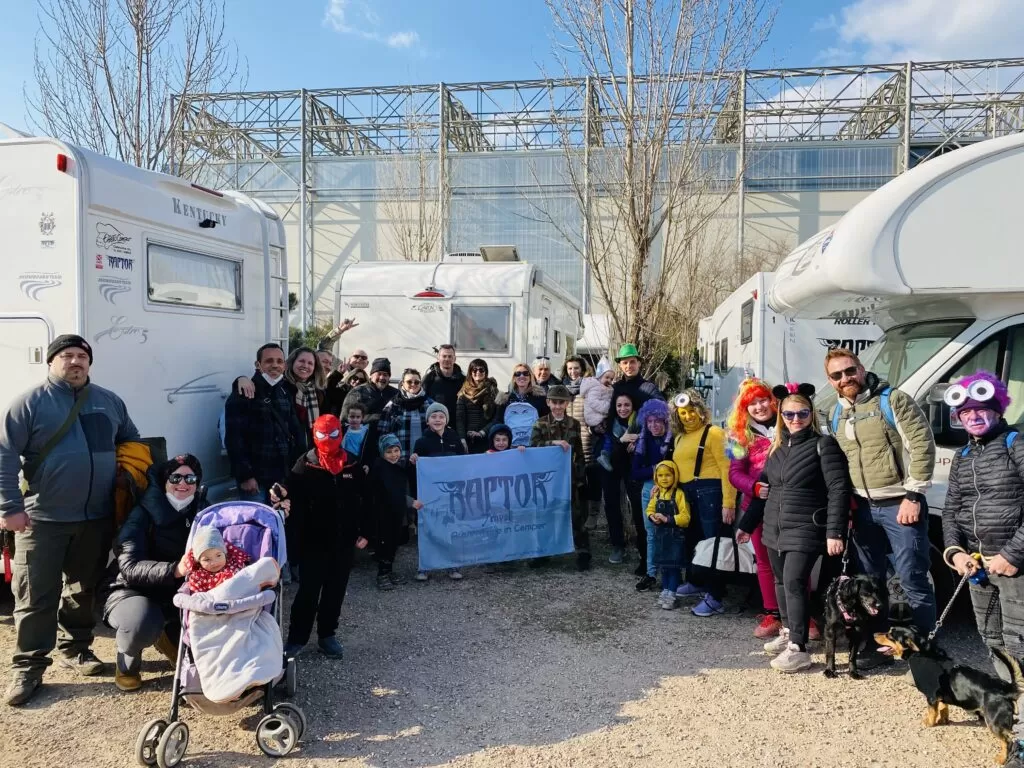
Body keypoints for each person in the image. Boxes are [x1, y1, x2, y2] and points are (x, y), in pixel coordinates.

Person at [0, 334, 140, 706]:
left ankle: (76, 648)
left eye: (82, 356)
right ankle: (28, 668)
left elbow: (133, 445)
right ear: (51, 362)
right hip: (40, 519)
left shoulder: (109, 402)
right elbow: (5, 455)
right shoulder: (29, 404)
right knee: (35, 596)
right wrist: (9, 507)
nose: (75, 362)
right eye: (67, 356)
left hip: (96, 517)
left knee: (82, 589)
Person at [825, 347, 937, 667]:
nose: (845, 378)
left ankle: (923, 648)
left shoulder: (893, 400)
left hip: (900, 504)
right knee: (870, 581)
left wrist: (913, 495)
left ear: (861, 368)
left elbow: (922, 445)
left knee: (912, 577)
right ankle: (878, 646)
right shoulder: (837, 412)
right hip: (862, 507)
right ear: (830, 381)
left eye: (850, 371)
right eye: (837, 375)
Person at [737, 383, 850, 674]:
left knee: (794, 582)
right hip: (775, 527)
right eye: (789, 414)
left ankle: (798, 648)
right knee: (780, 581)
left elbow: (838, 489)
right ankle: (788, 630)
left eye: (802, 413)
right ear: (781, 416)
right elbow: (765, 490)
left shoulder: (823, 445)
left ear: (811, 414)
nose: (795, 419)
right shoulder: (777, 447)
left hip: (806, 527)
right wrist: (747, 525)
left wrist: (834, 532)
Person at [941, 372, 1024, 662]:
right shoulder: (962, 456)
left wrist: (1013, 555)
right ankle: (1010, 704)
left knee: (1020, 644)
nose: (973, 417)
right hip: (978, 567)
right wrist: (955, 553)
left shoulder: (1016, 443)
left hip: (1016, 568)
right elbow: (951, 510)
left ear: (997, 411)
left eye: (981, 409)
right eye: (965, 412)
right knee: (993, 642)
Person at [104, 454, 204, 692]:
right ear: (163, 480)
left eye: (190, 478)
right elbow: (128, 567)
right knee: (143, 621)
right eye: (176, 477)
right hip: (131, 591)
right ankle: (127, 661)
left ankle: (168, 637)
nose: (183, 483)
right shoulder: (142, 513)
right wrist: (175, 569)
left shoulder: (201, 509)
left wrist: (277, 508)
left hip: (177, 593)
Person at [280, 414, 368, 659]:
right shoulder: (305, 464)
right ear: (314, 434)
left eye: (333, 435)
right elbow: (289, 499)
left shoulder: (352, 463)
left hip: (344, 541)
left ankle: (327, 635)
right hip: (313, 542)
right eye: (322, 434)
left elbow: (365, 500)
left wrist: (364, 531)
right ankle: (296, 639)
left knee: (335, 590)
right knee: (308, 591)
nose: (327, 440)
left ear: (340, 434)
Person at [670, 388, 737, 617]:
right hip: (687, 494)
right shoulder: (679, 437)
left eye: (691, 411)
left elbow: (727, 467)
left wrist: (729, 502)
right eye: (682, 413)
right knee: (693, 543)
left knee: (714, 545)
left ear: (700, 411)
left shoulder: (714, 433)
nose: (687, 417)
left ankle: (715, 596)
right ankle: (697, 582)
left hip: (710, 492)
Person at [726, 378, 785, 639]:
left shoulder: (790, 422)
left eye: (763, 400)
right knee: (765, 561)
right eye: (752, 403)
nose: (759, 407)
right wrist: (755, 487)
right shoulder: (739, 434)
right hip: (757, 507)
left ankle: (800, 615)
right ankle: (772, 613)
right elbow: (734, 474)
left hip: (790, 506)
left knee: (794, 561)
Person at [225, 343, 305, 506]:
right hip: (256, 480)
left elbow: (295, 430)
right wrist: (245, 476)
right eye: (269, 361)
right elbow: (234, 439)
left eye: (279, 361)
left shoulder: (285, 391)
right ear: (258, 365)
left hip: (282, 477)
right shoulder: (244, 392)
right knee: (256, 527)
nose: (275, 365)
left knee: (280, 525)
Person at [530, 385, 591, 571]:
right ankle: (544, 552)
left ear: (567, 403)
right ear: (548, 402)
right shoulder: (539, 423)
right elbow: (533, 448)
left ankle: (583, 553)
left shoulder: (574, 424)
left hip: (570, 478)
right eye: (554, 402)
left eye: (561, 402)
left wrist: (581, 478)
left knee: (576, 515)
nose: (557, 406)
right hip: (547, 481)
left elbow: (579, 452)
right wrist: (553, 443)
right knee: (546, 514)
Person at [410, 403, 467, 581]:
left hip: (451, 494)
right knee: (428, 528)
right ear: (428, 420)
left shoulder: (455, 438)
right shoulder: (421, 441)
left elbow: (464, 463)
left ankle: (453, 564)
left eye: (441, 416)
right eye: (433, 416)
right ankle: (425, 566)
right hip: (429, 495)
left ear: (446, 419)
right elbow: (416, 468)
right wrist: (414, 460)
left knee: (451, 527)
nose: (437, 419)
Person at [369, 434, 422, 591]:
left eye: (396, 450)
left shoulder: (396, 467)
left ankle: (389, 571)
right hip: (384, 515)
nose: (394, 455)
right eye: (389, 451)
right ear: (382, 453)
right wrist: (411, 502)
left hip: (395, 514)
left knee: (393, 544)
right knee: (385, 545)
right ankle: (382, 574)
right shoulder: (380, 468)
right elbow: (391, 493)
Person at [631, 398, 673, 592]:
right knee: (651, 534)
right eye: (649, 422)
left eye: (657, 421)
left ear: (665, 421)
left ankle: (670, 575)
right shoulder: (643, 441)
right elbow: (635, 472)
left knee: (671, 534)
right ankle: (650, 573)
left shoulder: (673, 440)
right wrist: (656, 469)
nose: (653, 425)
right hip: (649, 489)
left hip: (672, 491)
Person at [600, 393, 642, 567]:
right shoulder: (610, 423)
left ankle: (643, 545)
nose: (623, 409)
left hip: (631, 467)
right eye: (619, 405)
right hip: (611, 466)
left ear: (632, 406)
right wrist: (622, 440)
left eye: (626, 405)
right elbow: (610, 448)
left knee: (638, 505)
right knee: (612, 505)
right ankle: (618, 545)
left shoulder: (639, 423)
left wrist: (639, 441)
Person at [646, 461, 690, 610]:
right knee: (664, 566)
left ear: (675, 476)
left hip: (675, 537)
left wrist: (668, 519)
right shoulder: (657, 494)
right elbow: (649, 508)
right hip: (660, 537)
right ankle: (665, 590)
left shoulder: (679, 494)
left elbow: (686, 517)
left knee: (674, 567)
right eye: (660, 475)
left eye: (668, 475)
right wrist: (651, 516)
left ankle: (672, 592)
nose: (664, 478)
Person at [580, 359, 614, 528]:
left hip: (598, 422)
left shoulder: (606, 388)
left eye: (611, 378)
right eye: (607, 377)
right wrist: (610, 407)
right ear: (600, 376)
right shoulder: (594, 388)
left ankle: (605, 455)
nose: (609, 381)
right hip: (594, 419)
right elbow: (594, 403)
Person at [380, 368, 434, 462]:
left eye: (416, 382)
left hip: (425, 460)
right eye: (409, 382)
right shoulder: (392, 405)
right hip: (399, 460)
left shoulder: (430, 405)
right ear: (402, 383)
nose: (413, 385)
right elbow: (382, 434)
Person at [495, 364, 549, 447]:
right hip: (511, 445)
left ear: (530, 376)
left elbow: (546, 420)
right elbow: (499, 423)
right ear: (514, 378)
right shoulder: (505, 399)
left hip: (534, 444)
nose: (522, 376)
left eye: (525, 373)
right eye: (518, 374)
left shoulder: (540, 398)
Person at [185, 527, 250, 593]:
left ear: (225, 553)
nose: (214, 562)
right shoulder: (198, 577)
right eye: (207, 559)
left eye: (218, 555)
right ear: (199, 562)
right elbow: (198, 597)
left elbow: (248, 577)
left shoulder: (234, 562)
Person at [456, 359, 499, 454]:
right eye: (474, 370)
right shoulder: (463, 393)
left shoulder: (494, 391)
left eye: (481, 370)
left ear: (486, 372)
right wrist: (462, 439)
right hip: (469, 440)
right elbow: (460, 419)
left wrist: (482, 432)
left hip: (488, 438)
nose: (478, 372)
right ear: (470, 372)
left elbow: (497, 417)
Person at [422, 344, 465, 414]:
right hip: (436, 423)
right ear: (438, 358)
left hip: (457, 423)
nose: (447, 359)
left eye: (450, 356)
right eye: (444, 356)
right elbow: (422, 401)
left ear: (454, 359)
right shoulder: (429, 379)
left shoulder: (463, 380)